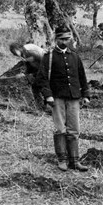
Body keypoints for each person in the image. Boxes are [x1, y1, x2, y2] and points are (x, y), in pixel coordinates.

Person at [36, 26, 90, 172]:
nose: (65, 42)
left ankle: (74, 161)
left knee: (74, 129)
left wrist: (86, 94)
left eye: (68, 39)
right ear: (56, 39)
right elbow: (42, 79)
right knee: (60, 129)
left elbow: (82, 76)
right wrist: (48, 96)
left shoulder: (75, 56)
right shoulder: (49, 57)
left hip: (73, 98)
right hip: (57, 98)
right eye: (62, 39)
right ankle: (62, 160)